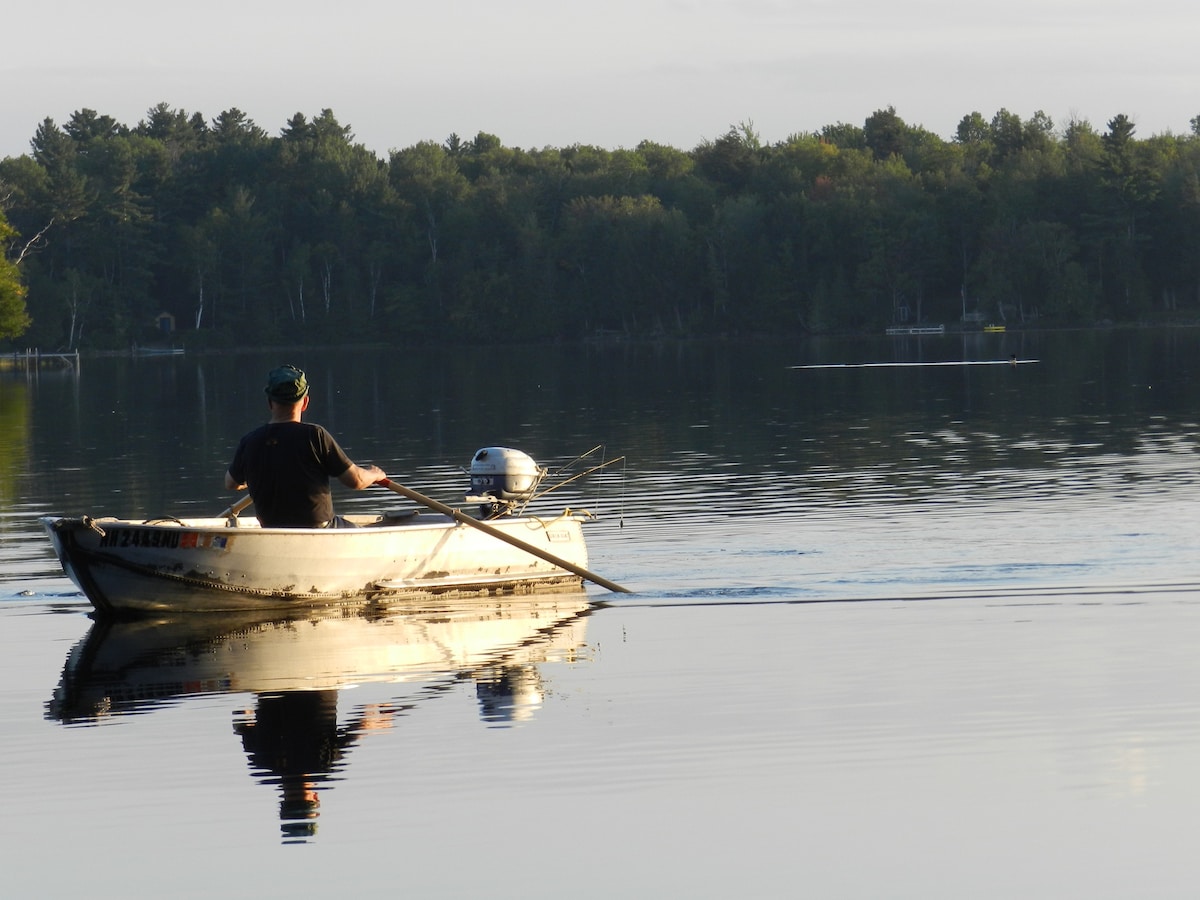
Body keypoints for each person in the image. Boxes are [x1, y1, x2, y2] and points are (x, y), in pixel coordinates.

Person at [225, 365, 386, 528]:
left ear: (269, 403)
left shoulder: (250, 441)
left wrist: (256, 477)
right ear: (305, 402)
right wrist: (375, 474)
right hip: (321, 530)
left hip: (272, 530)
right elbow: (356, 481)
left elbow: (231, 483)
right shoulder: (315, 436)